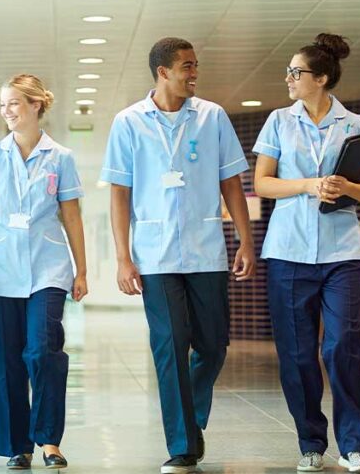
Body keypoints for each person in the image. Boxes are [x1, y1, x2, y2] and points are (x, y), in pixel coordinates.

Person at [100, 37, 255, 474]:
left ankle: (190, 418)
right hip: (154, 255)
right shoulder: (128, 122)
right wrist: (122, 257)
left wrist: (245, 239)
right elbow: (119, 192)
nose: (194, 73)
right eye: (186, 66)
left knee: (212, 346)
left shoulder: (213, 117)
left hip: (207, 250)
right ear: (162, 71)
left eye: (195, 66)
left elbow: (231, 182)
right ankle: (183, 444)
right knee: (169, 346)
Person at [252, 33, 360, 473]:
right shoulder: (278, 122)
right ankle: (310, 442)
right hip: (288, 251)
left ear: (321, 78)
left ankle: (352, 445)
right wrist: (308, 185)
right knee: (299, 352)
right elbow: (263, 183)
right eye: (288, 71)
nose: (288, 78)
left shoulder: (354, 123)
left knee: (343, 345)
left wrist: (346, 187)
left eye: (296, 72)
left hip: (343, 251)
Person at [0, 74, 88, 470]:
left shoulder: (61, 158)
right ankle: (18, 446)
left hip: (48, 269)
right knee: (5, 362)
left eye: (14, 104)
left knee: (42, 350)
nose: (7, 112)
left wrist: (81, 270)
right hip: (0, 270)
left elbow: (71, 214)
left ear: (36, 105)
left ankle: (49, 439)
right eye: (3, 105)